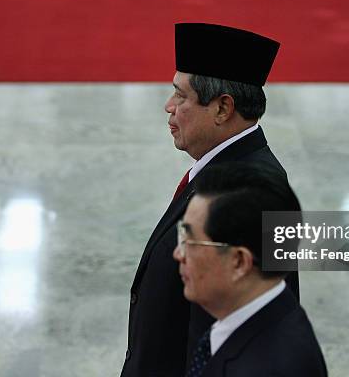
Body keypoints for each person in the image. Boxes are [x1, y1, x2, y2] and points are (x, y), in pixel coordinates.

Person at [121, 23, 299, 377]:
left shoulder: (249, 196)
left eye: (181, 96)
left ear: (222, 108)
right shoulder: (221, 169)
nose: (168, 107)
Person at [174, 163, 327, 377]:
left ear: (239, 261)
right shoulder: (263, 316)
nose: (178, 254)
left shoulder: (271, 367)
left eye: (191, 242)